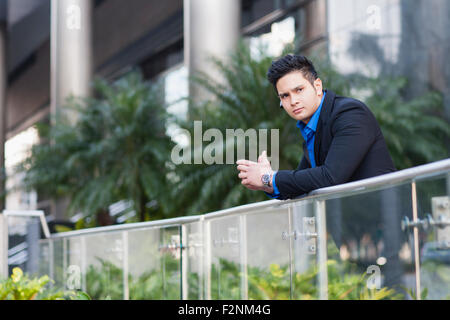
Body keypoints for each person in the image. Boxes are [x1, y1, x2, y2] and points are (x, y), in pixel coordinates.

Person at [236, 54, 396, 200]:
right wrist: (267, 183)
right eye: (285, 96)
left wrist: (269, 178)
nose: (293, 101)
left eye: (299, 90)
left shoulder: (350, 114)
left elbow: (330, 177)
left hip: (386, 219)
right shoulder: (312, 128)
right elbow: (300, 186)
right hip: (352, 223)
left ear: (317, 86)